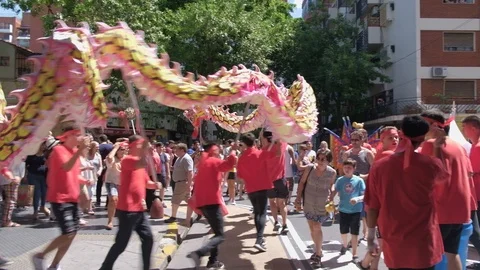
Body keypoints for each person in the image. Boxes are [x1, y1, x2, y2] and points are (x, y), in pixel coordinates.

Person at [365, 115, 449, 270]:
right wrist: (437, 147)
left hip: (394, 241)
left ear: (401, 133)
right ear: (423, 138)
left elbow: (372, 206)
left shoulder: (379, 167)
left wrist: (371, 237)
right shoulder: (431, 165)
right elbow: (444, 176)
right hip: (424, 242)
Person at [420, 109, 476, 270]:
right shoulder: (458, 146)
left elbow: (432, 178)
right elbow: (469, 173)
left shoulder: (431, 145)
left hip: (441, 210)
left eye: (425, 125)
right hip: (460, 210)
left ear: (436, 126)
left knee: (427, 257)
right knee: (452, 254)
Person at [99, 135, 162, 270]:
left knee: (148, 239)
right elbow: (141, 163)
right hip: (127, 210)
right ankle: (105, 267)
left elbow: (147, 183)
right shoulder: (127, 160)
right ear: (133, 146)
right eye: (140, 146)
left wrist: (156, 184)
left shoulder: (140, 165)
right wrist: (147, 149)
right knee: (121, 244)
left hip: (139, 210)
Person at [32, 126, 90, 270]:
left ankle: (54, 265)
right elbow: (66, 167)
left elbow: (73, 174)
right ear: (67, 136)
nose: (79, 137)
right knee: (68, 233)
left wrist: (84, 180)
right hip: (60, 198)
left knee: (72, 233)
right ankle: (40, 256)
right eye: (76, 134)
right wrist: (80, 152)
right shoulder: (59, 150)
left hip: (73, 198)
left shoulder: (74, 152)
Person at [187, 142, 237, 269]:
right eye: (217, 148)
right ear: (212, 150)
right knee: (220, 235)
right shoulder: (213, 161)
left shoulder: (203, 163)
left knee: (216, 232)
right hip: (212, 202)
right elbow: (230, 165)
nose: (219, 150)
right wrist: (233, 151)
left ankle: (213, 261)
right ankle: (199, 253)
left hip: (203, 203)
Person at [296, 149, 336, 267]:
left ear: (328, 161)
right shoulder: (309, 169)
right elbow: (302, 183)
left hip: (321, 204)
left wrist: (332, 194)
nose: (320, 161)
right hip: (308, 202)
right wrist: (298, 198)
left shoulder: (332, 172)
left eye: (323, 159)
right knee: (312, 228)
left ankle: (318, 255)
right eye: (318, 158)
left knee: (317, 226)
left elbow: (331, 185)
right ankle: (319, 249)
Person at [237, 133, 273, 252]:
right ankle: (259, 239)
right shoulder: (261, 153)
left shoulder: (242, 158)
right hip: (262, 186)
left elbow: (240, 177)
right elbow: (275, 154)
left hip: (251, 188)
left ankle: (260, 239)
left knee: (258, 213)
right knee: (261, 213)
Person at [329, 159, 365, 263]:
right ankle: (344, 245)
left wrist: (357, 199)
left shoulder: (359, 181)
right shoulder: (340, 180)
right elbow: (335, 191)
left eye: (349, 167)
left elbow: (365, 195)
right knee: (343, 230)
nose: (347, 169)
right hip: (343, 210)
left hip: (356, 211)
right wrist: (330, 199)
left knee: (355, 232)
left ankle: (355, 254)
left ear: (354, 169)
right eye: (345, 167)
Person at [261, 131, 290, 234]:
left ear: (265, 139)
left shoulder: (264, 150)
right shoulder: (281, 145)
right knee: (282, 204)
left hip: (269, 180)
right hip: (280, 179)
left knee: (272, 202)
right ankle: (284, 224)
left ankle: (276, 222)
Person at [462, 115, 480, 269]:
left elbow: (470, 172)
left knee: (475, 232)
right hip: (476, 195)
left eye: (465, 127)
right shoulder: (475, 146)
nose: (463, 130)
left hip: (477, 195)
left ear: (473, 128)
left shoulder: (478, 147)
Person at [165, 143, 194, 223]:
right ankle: (201, 211)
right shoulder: (180, 158)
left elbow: (190, 172)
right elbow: (178, 168)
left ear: (182, 150)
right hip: (180, 183)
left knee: (175, 200)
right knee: (189, 200)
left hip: (182, 183)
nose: (175, 151)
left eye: (177, 149)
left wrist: (189, 184)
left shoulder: (186, 158)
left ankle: (173, 217)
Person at [26, 142, 49, 220]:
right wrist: (25, 175)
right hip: (33, 175)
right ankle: (35, 211)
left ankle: (42, 207)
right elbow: (27, 164)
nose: (44, 146)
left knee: (44, 192)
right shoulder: (31, 155)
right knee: (37, 193)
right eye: (42, 144)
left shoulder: (46, 155)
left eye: (44, 145)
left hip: (44, 176)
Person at [97, 134, 113, 207]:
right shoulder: (111, 147)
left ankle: (98, 200)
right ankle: (108, 201)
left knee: (99, 184)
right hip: (109, 167)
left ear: (100, 139)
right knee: (109, 184)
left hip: (100, 167)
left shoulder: (98, 147)